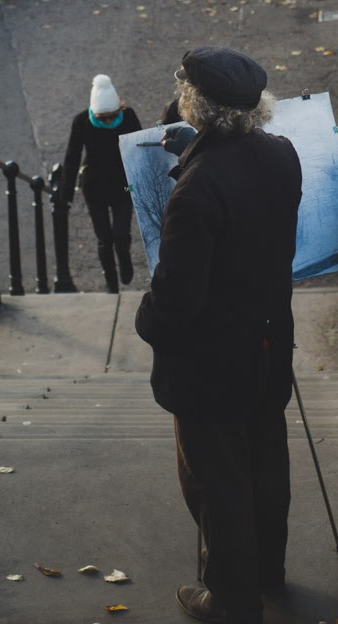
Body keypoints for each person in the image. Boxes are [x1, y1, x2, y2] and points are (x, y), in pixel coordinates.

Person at [136, 46, 303, 624]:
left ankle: (231, 599)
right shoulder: (283, 155)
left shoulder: (196, 191)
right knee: (265, 462)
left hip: (212, 364)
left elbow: (176, 301)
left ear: (194, 103)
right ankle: (267, 571)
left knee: (216, 480)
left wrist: (146, 319)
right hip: (267, 346)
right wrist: (197, 155)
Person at [61, 75, 142, 293]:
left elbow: (139, 149)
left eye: (111, 117)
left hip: (124, 185)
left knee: (120, 234)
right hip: (94, 187)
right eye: (102, 118)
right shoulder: (81, 122)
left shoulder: (128, 116)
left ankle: (124, 259)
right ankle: (111, 284)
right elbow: (72, 157)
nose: (107, 122)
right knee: (104, 239)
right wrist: (65, 195)